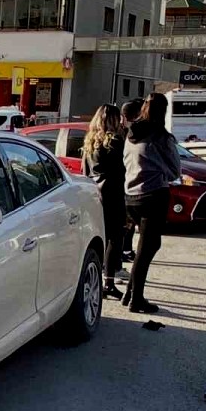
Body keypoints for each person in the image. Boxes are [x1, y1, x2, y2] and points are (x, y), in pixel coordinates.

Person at [121, 93, 180, 314]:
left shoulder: (131, 133)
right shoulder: (162, 137)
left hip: (131, 196)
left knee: (144, 247)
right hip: (154, 195)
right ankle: (136, 299)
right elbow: (175, 170)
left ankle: (129, 293)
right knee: (147, 250)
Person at [82, 104, 127, 300]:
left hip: (94, 192)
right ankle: (108, 281)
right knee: (115, 238)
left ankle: (96, 279)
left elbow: (85, 170)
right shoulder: (116, 142)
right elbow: (122, 170)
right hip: (112, 193)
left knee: (100, 236)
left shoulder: (90, 142)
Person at [119, 99, 143, 263]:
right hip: (124, 184)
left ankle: (126, 249)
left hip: (127, 184)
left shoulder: (126, 133)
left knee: (129, 223)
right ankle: (122, 252)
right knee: (125, 224)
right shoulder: (125, 135)